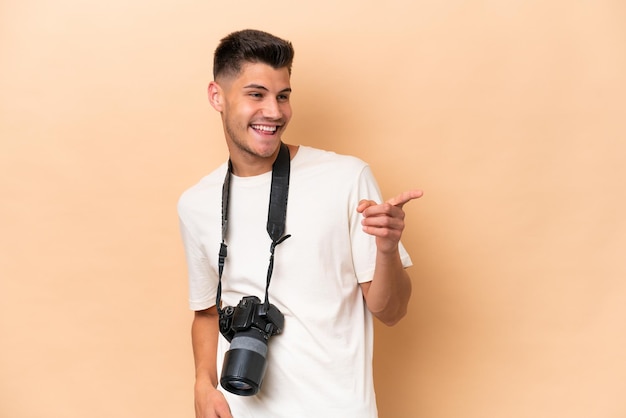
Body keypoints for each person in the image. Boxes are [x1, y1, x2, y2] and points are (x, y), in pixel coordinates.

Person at [178, 29, 422, 418]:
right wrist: (202, 384)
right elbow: (206, 312)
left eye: (283, 96)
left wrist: (387, 249)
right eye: (256, 94)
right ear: (216, 96)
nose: (274, 112)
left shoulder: (346, 178)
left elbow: (390, 311)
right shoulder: (195, 204)